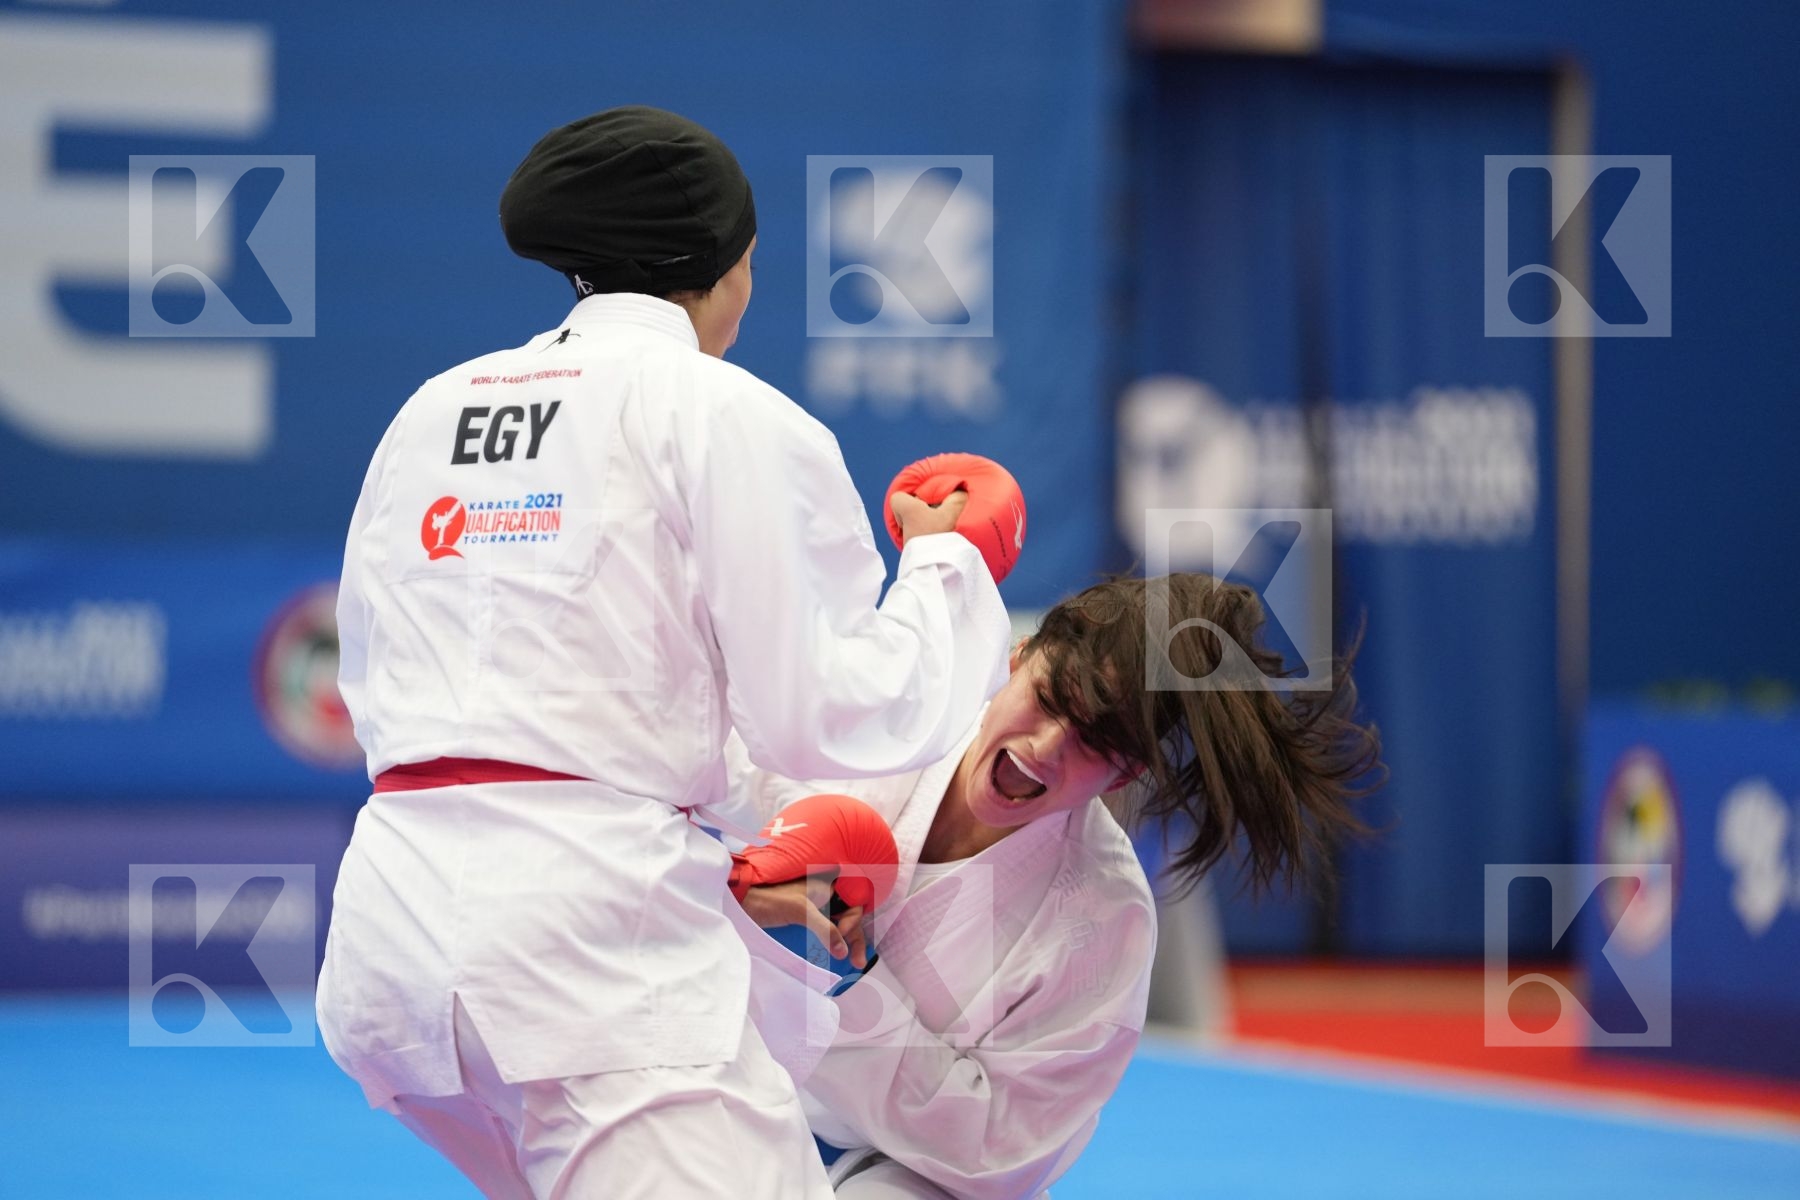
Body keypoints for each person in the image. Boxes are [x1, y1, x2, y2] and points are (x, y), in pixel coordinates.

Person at [317, 106, 1014, 1200]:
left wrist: (714, 806)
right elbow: (834, 712)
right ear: (727, 266)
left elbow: (380, 682)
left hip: (390, 950)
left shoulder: (431, 410)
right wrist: (949, 569)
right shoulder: (724, 410)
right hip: (587, 957)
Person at [720, 573, 1383, 1199]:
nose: (1044, 747)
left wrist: (838, 981)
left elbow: (998, 1152)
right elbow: (706, 800)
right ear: (1018, 658)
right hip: (729, 1088)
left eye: (1094, 743)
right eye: (1049, 698)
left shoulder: (1105, 919)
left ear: (1123, 777)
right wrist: (733, 885)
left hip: (906, 1175)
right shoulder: (894, 711)